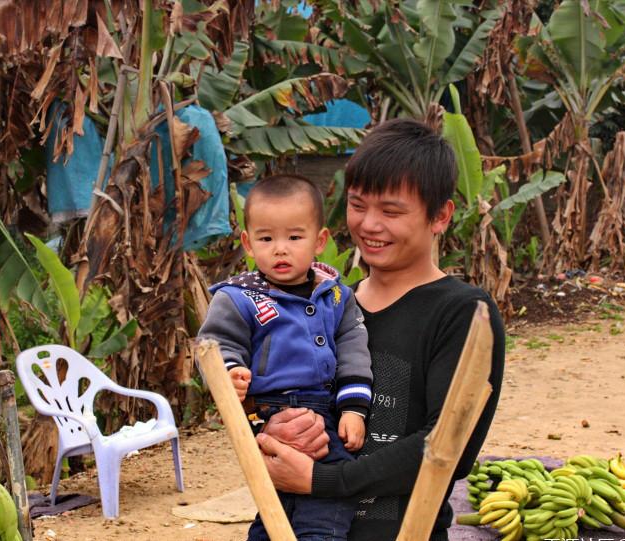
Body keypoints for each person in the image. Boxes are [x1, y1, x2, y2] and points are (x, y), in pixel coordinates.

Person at [254, 118, 506, 541]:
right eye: (358, 205)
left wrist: (322, 481)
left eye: (391, 211)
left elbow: (449, 447)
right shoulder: (328, 305)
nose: (369, 225)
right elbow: (276, 396)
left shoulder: (463, 314)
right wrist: (275, 430)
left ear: (440, 216)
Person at [198, 174, 373, 541]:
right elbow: (215, 346)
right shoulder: (238, 298)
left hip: (326, 418)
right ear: (248, 243)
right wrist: (230, 373)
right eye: (266, 238)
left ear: (319, 241)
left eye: (294, 237)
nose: (280, 249)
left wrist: (355, 409)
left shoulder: (336, 296)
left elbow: (354, 350)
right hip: (266, 415)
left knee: (325, 512)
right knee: (275, 507)